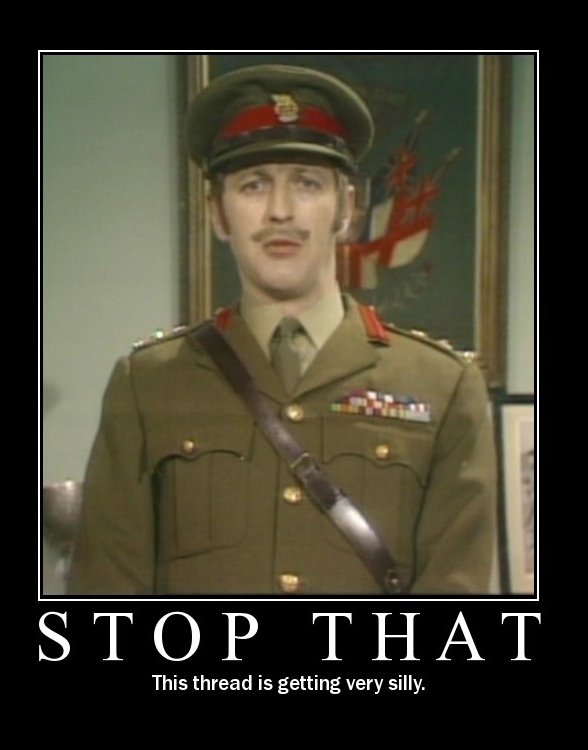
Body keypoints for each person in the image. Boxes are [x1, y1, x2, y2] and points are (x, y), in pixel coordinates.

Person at [67, 64, 496, 596]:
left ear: (347, 207)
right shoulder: (148, 385)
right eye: (254, 185)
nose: (280, 211)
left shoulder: (444, 387)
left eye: (307, 183)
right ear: (217, 213)